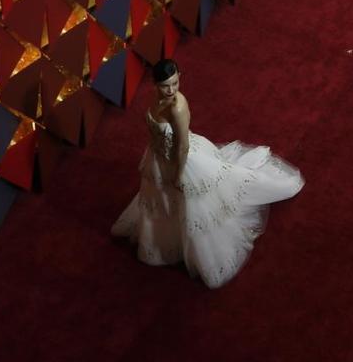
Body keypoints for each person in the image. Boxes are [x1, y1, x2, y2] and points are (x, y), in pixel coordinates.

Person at [111, 59, 305, 288]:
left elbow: (182, 147)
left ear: (180, 77)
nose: (171, 89)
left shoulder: (178, 107)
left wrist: (177, 175)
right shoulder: (157, 99)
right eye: (165, 85)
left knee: (194, 206)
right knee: (163, 202)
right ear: (155, 85)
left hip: (181, 162)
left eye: (175, 83)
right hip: (158, 157)